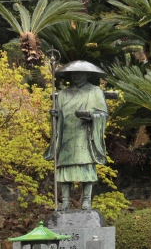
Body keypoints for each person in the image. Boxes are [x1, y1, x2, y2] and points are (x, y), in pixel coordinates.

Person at [44, 61, 108, 211]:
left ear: (87, 74)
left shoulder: (95, 91)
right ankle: (65, 201)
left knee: (86, 167)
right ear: (69, 75)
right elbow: (58, 115)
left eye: (80, 73)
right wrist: (55, 115)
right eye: (74, 73)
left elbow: (103, 114)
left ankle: (87, 200)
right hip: (66, 134)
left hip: (85, 135)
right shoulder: (63, 94)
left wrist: (92, 116)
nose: (77, 76)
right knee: (65, 168)